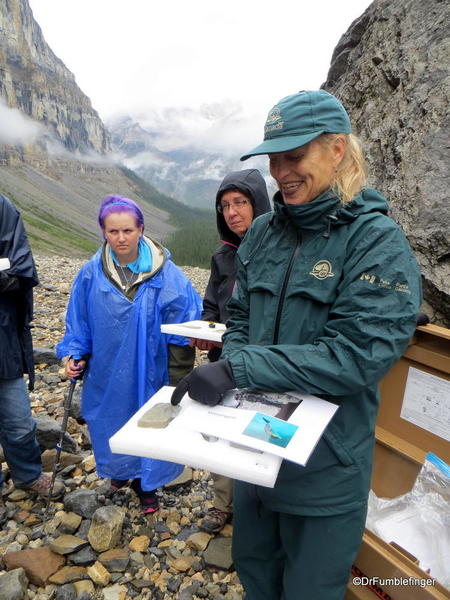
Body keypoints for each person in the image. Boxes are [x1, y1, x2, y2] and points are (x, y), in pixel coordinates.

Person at [171, 91, 422, 599]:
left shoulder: (376, 242)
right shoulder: (263, 232)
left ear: (336, 151)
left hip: (325, 472)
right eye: (274, 159)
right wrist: (233, 362)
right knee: (256, 575)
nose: (281, 171)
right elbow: (238, 317)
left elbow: (356, 356)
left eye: (295, 156)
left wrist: (239, 370)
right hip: (253, 458)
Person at [57, 194, 202, 514]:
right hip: (106, 369)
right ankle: (120, 473)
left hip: (151, 367)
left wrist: (179, 377)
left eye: (127, 231)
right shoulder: (91, 274)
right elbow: (79, 321)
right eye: (113, 231)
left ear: (140, 229)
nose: (121, 238)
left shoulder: (165, 273)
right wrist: (75, 355)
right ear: (103, 233)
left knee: (148, 422)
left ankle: (147, 486)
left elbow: (185, 321)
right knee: (109, 419)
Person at [193, 169, 271, 533]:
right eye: (224, 206)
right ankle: (222, 503)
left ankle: (259, 502)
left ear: (258, 203)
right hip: (223, 358)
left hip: (265, 359)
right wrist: (204, 331)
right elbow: (211, 306)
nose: (232, 212)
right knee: (223, 429)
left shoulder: (280, 249)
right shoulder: (222, 257)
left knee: (262, 430)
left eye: (240, 202)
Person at [0, 194, 65, 523]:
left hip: (2, 342)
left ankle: (27, 474)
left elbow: (20, 270)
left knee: (18, 420)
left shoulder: (2, 208)